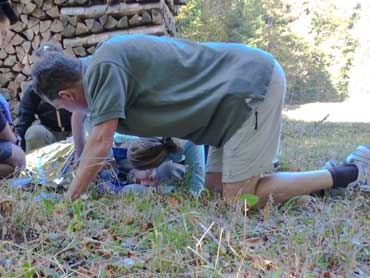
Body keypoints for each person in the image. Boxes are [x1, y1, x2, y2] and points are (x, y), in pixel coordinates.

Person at [31, 34, 369, 205]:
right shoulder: (97, 70)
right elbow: (85, 125)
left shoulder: (103, 70)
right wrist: (77, 146)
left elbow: (101, 141)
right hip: (227, 110)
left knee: (239, 203)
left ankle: (350, 172)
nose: (74, 116)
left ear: (66, 97)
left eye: (67, 109)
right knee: (215, 196)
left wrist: (68, 200)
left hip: (247, 88)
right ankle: (321, 187)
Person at [114, 135, 205, 196]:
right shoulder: (124, 145)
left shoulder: (188, 144)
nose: (144, 184)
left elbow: (195, 191)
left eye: (151, 179)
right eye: (151, 179)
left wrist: (154, 191)